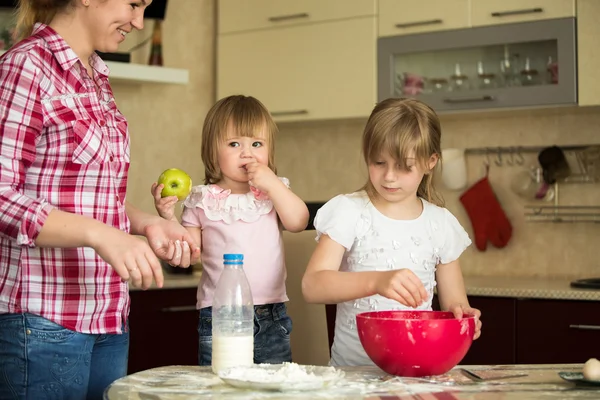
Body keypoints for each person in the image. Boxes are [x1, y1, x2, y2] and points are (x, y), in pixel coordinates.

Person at [0, 1, 200, 399]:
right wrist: (101, 236)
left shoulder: (95, 77)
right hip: (42, 321)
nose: (140, 23)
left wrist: (145, 225)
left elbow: (88, 194)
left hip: (107, 316)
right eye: (133, 4)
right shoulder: (24, 66)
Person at [302, 98, 482, 366]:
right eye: (379, 162)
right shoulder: (350, 211)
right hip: (352, 379)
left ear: (430, 161)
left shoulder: (440, 223)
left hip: (417, 374)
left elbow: (454, 302)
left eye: (403, 166)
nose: (389, 176)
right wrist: (377, 281)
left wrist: (463, 315)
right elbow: (312, 286)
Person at [151, 95, 310, 366]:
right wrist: (168, 217)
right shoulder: (201, 199)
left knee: (274, 391)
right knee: (220, 389)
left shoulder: (273, 192)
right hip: (219, 315)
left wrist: (274, 185)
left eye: (257, 144)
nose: (247, 153)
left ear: (270, 152)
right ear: (212, 151)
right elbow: (191, 253)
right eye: (235, 144)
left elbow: (299, 222)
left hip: (271, 312)